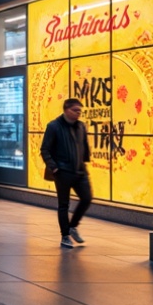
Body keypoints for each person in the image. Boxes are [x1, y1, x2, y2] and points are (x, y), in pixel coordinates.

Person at [40, 97, 91, 248]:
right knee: (64, 205)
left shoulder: (81, 126)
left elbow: (84, 145)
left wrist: (85, 161)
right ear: (66, 110)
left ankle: (73, 226)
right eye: (75, 110)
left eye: (80, 111)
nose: (78, 114)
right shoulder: (54, 126)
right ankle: (65, 235)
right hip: (62, 172)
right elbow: (45, 149)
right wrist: (54, 167)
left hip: (79, 171)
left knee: (87, 198)